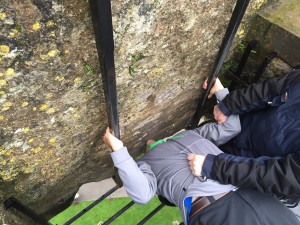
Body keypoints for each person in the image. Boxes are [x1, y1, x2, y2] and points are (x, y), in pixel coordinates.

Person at [103, 85, 299, 225]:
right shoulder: (146, 164)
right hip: (246, 202)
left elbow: (232, 127)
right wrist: (222, 93)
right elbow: (143, 195)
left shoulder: (193, 135)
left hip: (228, 203)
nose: (153, 141)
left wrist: (120, 152)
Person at [188, 69, 300, 198]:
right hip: (237, 126)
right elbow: (272, 89)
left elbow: (281, 175)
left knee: (179, 181)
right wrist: (229, 104)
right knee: (180, 143)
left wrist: (215, 167)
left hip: (241, 169)